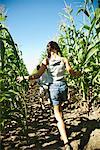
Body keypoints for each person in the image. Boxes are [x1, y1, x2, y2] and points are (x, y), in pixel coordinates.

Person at [17, 41, 81, 150]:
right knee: (61, 109)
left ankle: (66, 142)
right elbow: (72, 72)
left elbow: (37, 75)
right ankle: (63, 129)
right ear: (57, 48)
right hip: (63, 87)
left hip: (54, 88)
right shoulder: (64, 59)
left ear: (49, 50)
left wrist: (24, 78)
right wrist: (80, 73)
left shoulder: (46, 61)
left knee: (58, 115)